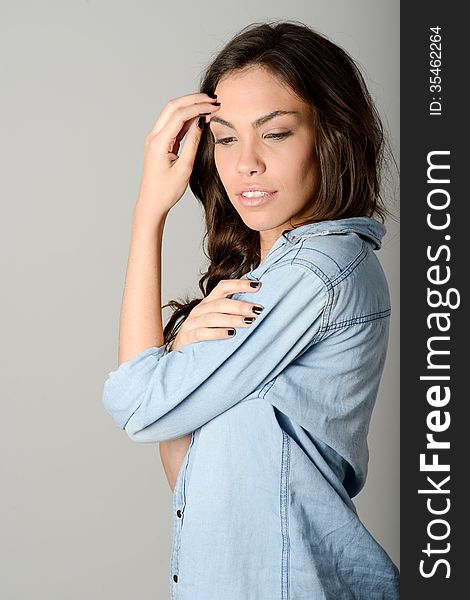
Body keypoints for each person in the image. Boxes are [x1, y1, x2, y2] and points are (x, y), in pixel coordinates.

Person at [102, 19, 400, 599]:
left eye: (277, 133)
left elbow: (137, 404)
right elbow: (185, 467)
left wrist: (148, 212)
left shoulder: (314, 273)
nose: (247, 164)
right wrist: (181, 348)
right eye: (227, 137)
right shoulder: (261, 282)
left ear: (330, 135)